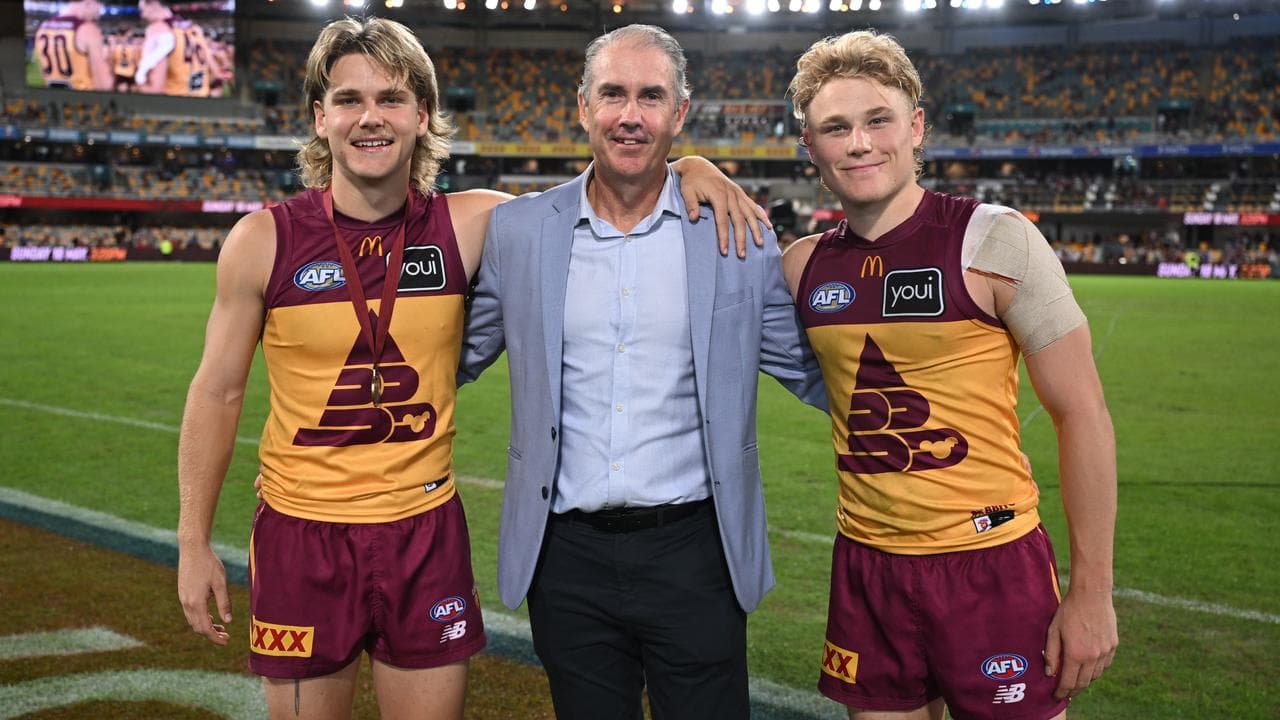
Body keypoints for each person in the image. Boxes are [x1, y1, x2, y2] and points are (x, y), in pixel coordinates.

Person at [177, 16, 765, 720]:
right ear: (319, 116)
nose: (371, 118)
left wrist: (691, 167)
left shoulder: (475, 223)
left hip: (424, 529)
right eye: (349, 100)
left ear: (423, 116)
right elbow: (217, 390)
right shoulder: (263, 239)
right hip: (303, 532)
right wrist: (192, 541)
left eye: (392, 98)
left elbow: (600, 197)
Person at [458, 24, 827, 720]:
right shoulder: (521, 233)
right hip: (564, 559)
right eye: (614, 94)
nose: (631, 114)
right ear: (582, 106)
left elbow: (813, 370)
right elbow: (453, 361)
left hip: (695, 552)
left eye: (651, 97)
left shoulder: (736, 236)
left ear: (680, 112)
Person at [781, 30, 1118, 720]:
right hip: (867, 566)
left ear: (917, 127)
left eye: (878, 120)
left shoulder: (996, 240)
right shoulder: (801, 266)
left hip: (991, 560)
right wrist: (696, 170)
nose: (860, 143)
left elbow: (1082, 414)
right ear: (810, 147)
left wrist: (1092, 593)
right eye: (834, 128)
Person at [33, 0, 113, 91]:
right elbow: (103, 84)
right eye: (98, 9)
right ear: (89, 2)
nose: (97, 15)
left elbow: (41, 69)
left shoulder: (43, 27)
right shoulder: (87, 29)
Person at [135, 0, 211, 96]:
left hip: (175, 103)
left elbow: (155, 89)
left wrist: (139, 82)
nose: (142, 16)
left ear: (153, 4)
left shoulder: (158, 29)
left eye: (142, 10)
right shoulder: (193, 28)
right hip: (202, 101)